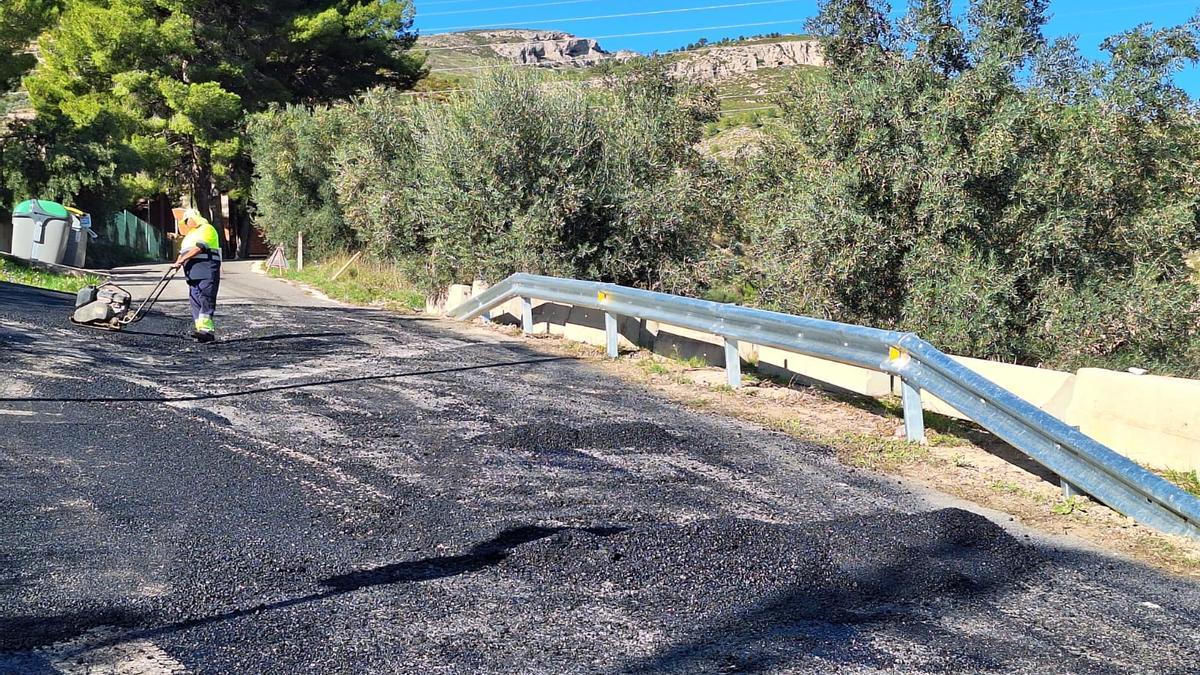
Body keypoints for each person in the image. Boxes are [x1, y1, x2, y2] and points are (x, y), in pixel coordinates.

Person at [172, 208, 222, 342]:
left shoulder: (207, 229)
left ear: (195, 218)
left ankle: (207, 331)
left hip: (206, 270)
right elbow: (183, 252)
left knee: (206, 298)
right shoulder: (189, 235)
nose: (187, 223)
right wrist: (177, 263)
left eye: (188, 220)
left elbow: (199, 248)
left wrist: (181, 260)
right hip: (192, 273)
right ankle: (201, 330)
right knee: (195, 301)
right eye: (185, 221)